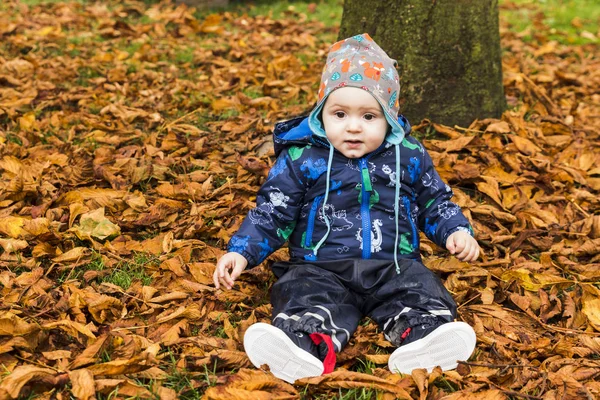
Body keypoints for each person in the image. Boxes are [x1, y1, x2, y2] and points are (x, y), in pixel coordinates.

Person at [213, 33, 480, 384]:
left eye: (369, 116)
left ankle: (422, 337)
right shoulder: (303, 158)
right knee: (304, 293)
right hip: (320, 265)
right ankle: (303, 342)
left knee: (420, 287)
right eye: (339, 114)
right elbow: (272, 211)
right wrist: (241, 252)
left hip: (393, 263)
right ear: (321, 114)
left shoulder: (407, 155)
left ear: (390, 118)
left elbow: (433, 200)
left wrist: (456, 231)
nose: (353, 126)